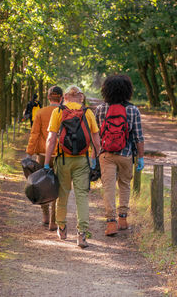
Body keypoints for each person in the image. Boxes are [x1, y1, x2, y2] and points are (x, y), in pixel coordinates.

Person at [44, 85, 100, 248]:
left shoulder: (58, 112)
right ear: (81, 97)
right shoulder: (88, 113)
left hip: (62, 160)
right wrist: (94, 160)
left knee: (63, 194)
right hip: (82, 160)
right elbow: (96, 140)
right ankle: (81, 234)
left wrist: (47, 163)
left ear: (65, 97)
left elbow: (51, 139)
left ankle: (62, 228)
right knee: (82, 196)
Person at [95, 74, 144, 236]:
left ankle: (111, 223)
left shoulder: (101, 109)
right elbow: (138, 137)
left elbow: (96, 134)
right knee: (124, 185)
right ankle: (123, 218)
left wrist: (95, 155)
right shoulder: (133, 110)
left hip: (106, 154)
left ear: (106, 90)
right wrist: (141, 158)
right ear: (127, 90)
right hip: (126, 154)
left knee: (108, 187)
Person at [26, 86, 63, 231]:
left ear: (48, 98)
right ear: (61, 98)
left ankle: (45, 216)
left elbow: (34, 134)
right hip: (61, 155)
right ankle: (53, 221)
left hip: (42, 154)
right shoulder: (64, 112)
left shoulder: (41, 112)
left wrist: (29, 153)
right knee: (56, 186)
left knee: (42, 184)